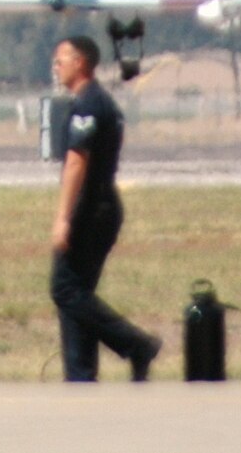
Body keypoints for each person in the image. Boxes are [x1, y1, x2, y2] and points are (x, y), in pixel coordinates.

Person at [49, 34, 162, 382]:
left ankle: (136, 344)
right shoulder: (103, 104)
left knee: (65, 289)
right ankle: (81, 376)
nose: (56, 66)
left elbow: (76, 163)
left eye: (61, 60)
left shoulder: (87, 106)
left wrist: (63, 218)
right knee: (77, 292)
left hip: (91, 208)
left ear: (81, 62)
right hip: (103, 205)